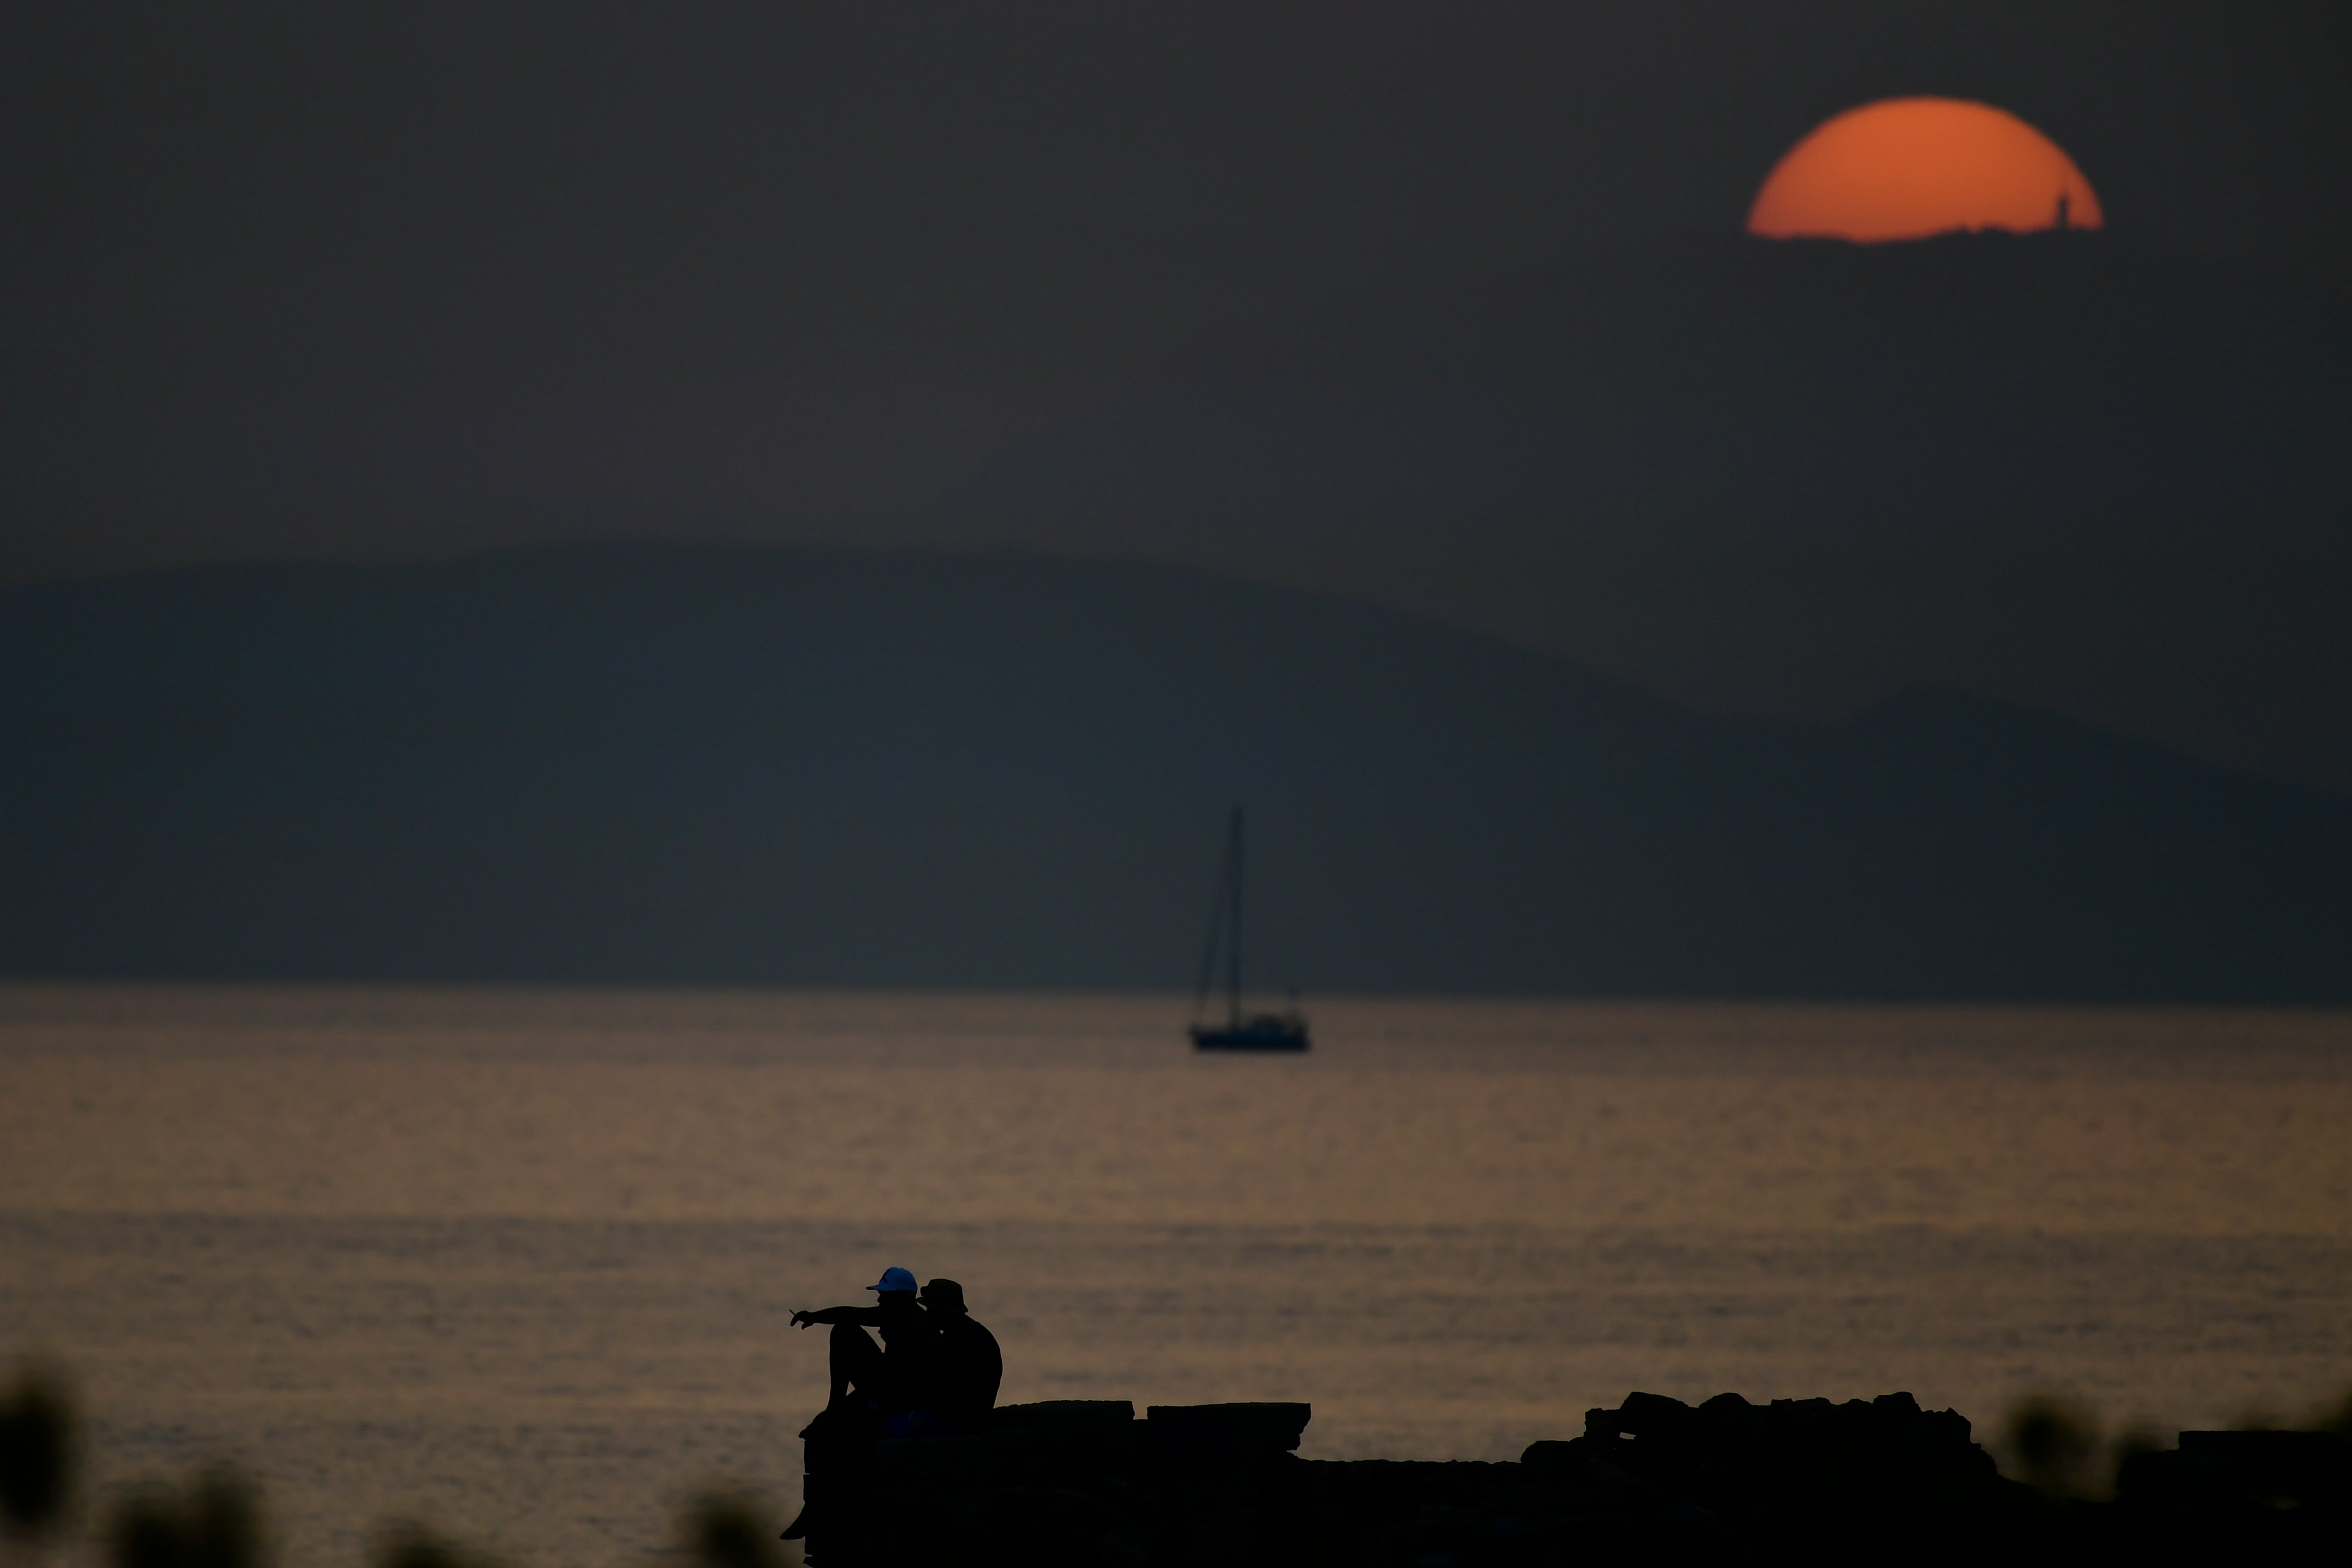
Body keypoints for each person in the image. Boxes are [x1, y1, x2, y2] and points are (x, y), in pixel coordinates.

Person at [780, 1266, 942, 1545]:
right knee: (844, 1332)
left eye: (884, 1295)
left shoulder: (920, 1329)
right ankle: (835, 1410)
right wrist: (814, 1317)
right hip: (887, 1385)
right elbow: (848, 1314)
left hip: (898, 1398)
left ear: (902, 1298)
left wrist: (882, 1410)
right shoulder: (893, 1314)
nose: (879, 1301)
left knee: (839, 1432)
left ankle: (817, 1505)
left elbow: (921, 1385)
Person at [918, 1278, 1002, 1435]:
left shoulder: (957, 1339)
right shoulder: (970, 1333)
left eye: (931, 1309)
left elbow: (936, 1388)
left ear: (942, 1311)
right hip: (970, 1419)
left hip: (959, 1424)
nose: (928, 1314)